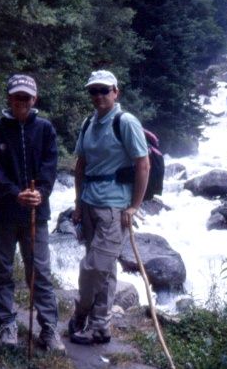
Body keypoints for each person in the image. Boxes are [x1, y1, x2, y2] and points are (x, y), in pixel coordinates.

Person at [0, 74, 65, 353]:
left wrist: (40, 191)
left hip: (35, 213)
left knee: (40, 271)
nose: (22, 102)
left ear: (35, 99)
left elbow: (50, 165)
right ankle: (7, 324)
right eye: (17, 96)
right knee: (2, 270)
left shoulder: (45, 129)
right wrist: (13, 192)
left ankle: (49, 329)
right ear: (9, 98)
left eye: (27, 97)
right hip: (2, 212)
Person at [69, 69, 150, 345]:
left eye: (105, 90)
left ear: (116, 92)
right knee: (105, 269)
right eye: (94, 90)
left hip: (115, 208)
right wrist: (78, 204)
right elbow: (80, 165)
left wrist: (134, 206)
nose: (99, 95)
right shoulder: (88, 123)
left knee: (93, 267)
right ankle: (101, 326)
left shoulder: (125, 122)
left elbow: (143, 164)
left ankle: (80, 314)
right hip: (90, 204)